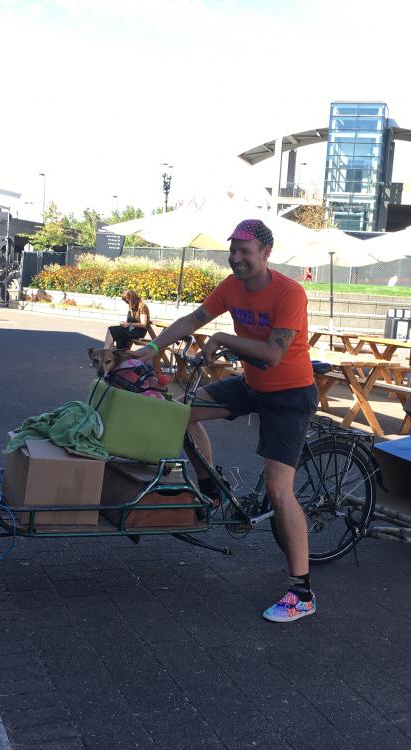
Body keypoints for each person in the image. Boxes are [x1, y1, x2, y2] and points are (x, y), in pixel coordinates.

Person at [129, 219, 318, 623]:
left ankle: (301, 591)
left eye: (244, 252)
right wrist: (151, 349)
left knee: (278, 489)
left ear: (266, 253)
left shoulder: (289, 293)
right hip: (251, 386)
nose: (235, 259)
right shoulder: (231, 287)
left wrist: (224, 340)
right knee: (179, 413)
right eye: (232, 250)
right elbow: (192, 321)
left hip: (289, 396)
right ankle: (211, 488)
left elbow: (272, 354)